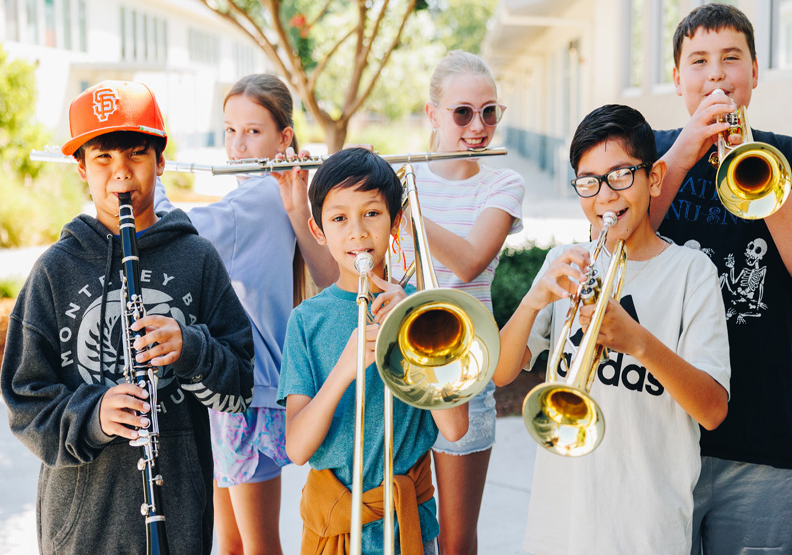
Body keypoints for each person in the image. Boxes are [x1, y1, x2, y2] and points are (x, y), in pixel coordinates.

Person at [0, 80, 254, 555]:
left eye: (136, 155)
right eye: (103, 159)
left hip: (177, 517)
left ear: (160, 161)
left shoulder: (197, 258)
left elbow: (239, 387)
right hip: (81, 530)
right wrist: (94, 414)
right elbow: (23, 403)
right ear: (81, 168)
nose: (121, 175)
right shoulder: (55, 270)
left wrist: (191, 348)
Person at [494, 104, 730, 554]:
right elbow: (502, 374)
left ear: (655, 178)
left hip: (647, 528)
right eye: (589, 181)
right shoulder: (563, 264)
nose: (605, 195)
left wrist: (637, 342)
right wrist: (535, 298)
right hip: (558, 526)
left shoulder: (691, 272)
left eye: (621, 175)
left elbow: (713, 409)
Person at [154, 73, 337, 555]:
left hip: (246, 392)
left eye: (253, 131)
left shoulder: (258, 197)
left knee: (256, 546)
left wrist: (148, 178)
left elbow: (179, 231)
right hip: (239, 389)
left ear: (284, 138)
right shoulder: (264, 193)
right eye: (230, 130)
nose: (238, 144)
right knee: (232, 543)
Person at [651, 3, 792, 554]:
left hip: (767, 442)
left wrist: (756, 166)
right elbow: (615, 245)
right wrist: (686, 153)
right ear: (678, 78)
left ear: (755, 73)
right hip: (662, 438)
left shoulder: (791, 158)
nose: (716, 74)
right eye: (699, 61)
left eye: (731, 58)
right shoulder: (651, 153)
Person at [277, 147, 469, 555]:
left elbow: (454, 428)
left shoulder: (425, 313)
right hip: (336, 530)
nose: (358, 233)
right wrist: (344, 369)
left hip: (410, 526)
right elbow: (296, 448)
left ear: (395, 222)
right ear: (318, 230)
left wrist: (414, 334)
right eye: (340, 218)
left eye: (372, 214)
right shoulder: (307, 320)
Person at [395, 49, 524, 554]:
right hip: (400, 365)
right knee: (403, 527)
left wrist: (399, 204)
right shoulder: (404, 176)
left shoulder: (502, 182)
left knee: (455, 538)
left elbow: (469, 261)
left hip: (465, 370)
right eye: (463, 112)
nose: (478, 125)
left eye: (489, 111)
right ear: (433, 115)